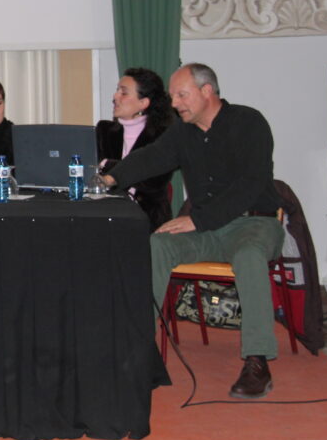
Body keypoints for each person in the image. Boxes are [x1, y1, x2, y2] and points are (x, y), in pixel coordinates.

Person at [100, 63, 284, 399]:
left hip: (254, 222)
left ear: (207, 91)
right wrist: (109, 179)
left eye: (182, 95)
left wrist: (199, 220)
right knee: (157, 244)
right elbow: (152, 157)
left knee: (248, 255)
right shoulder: (182, 131)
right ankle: (139, 348)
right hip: (207, 229)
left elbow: (251, 184)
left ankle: (257, 361)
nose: (175, 103)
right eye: (173, 96)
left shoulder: (249, 122)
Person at [96, 67, 174, 231]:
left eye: (123, 93)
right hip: (108, 215)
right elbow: (96, 177)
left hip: (149, 221)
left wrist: (108, 164)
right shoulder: (104, 130)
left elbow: (153, 182)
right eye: (117, 90)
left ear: (143, 103)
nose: (115, 97)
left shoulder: (163, 136)